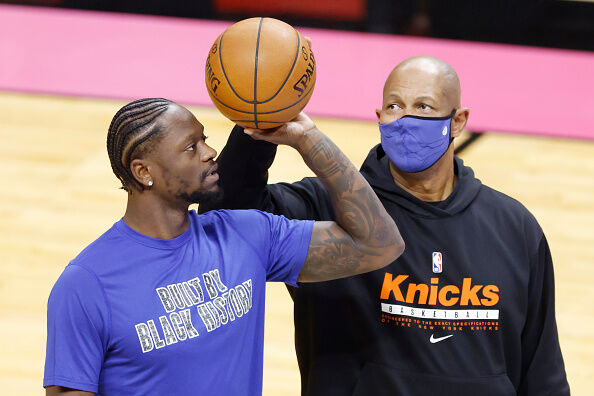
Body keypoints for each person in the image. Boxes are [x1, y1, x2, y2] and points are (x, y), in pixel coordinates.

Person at [200, 56, 570, 395]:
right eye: (394, 107)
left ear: (457, 121)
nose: (405, 120)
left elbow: (542, 368)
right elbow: (227, 219)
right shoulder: (326, 208)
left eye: (423, 107)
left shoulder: (514, 227)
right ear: (379, 116)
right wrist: (258, 120)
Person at [43, 98, 404, 395]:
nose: (210, 151)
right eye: (191, 147)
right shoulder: (86, 283)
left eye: (205, 139)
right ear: (143, 172)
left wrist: (308, 139)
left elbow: (378, 243)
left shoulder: (246, 232)